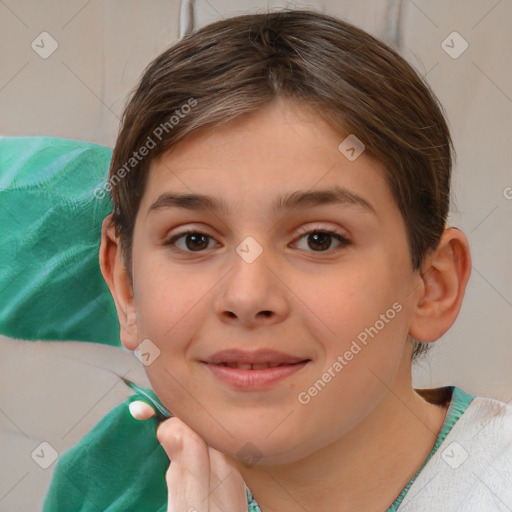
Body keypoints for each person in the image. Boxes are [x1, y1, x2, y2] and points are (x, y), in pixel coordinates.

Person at [43, 9, 512, 512]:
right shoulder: (102, 493)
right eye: (195, 241)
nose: (247, 297)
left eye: (319, 241)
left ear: (432, 285)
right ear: (125, 285)